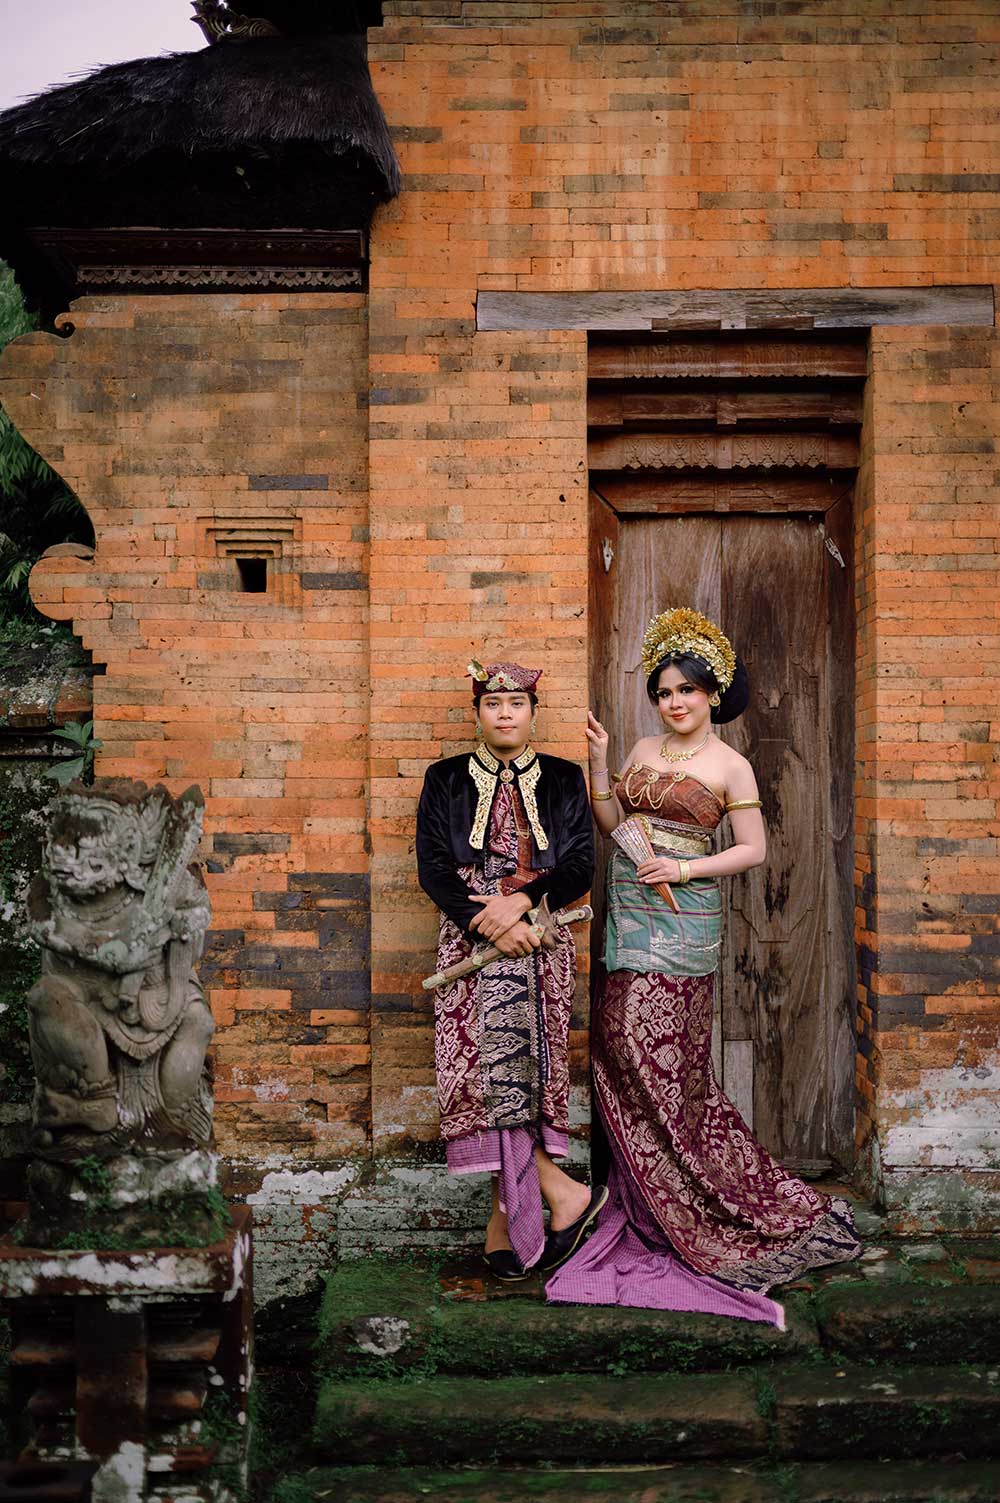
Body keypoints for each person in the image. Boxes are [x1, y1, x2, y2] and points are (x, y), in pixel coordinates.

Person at [546, 608, 860, 1325]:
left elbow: (753, 848)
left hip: (684, 921)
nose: (674, 702)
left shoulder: (730, 764)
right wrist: (601, 763)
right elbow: (613, 825)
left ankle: (698, 1192)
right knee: (617, 1044)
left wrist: (685, 871)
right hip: (629, 911)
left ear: (711, 694)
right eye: (663, 692)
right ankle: (647, 1194)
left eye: (686, 689)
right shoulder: (642, 746)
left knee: (665, 1058)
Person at [416, 660, 605, 1282]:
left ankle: (505, 1224)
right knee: (481, 1077)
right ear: (478, 712)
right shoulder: (444, 779)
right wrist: (490, 922)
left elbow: (579, 864)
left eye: (516, 703)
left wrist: (522, 903)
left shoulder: (563, 777)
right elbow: (433, 868)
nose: (504, 713)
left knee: (526, 1076)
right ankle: (559, 1195)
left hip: (541, 937)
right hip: (469, 942)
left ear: (532, 712)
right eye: (493, 703)